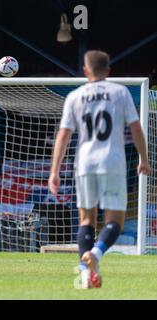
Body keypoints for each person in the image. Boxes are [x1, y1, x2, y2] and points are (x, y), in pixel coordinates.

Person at [48, 50, 149, 289]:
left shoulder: (75, 96)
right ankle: (97, 253)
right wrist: (143, 158)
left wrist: (54, 171)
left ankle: (85, 273)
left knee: (86, 220)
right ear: (109, 70)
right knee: (115, 221)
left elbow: (63, 135)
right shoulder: (120, 92)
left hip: (84, 163)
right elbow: (135, 127)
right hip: (112, 162)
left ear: (85, 71)